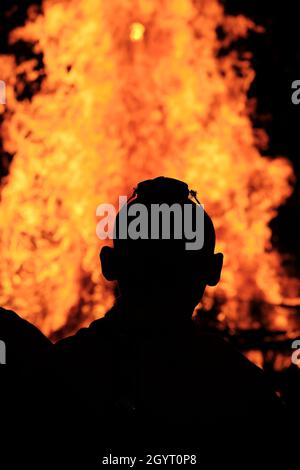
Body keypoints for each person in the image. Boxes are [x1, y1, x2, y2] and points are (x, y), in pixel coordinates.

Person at [45, 176, 284, 464]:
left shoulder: (58, 375)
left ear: (109, 264)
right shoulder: (244, 389)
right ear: (213, 270)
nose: (160, 277)